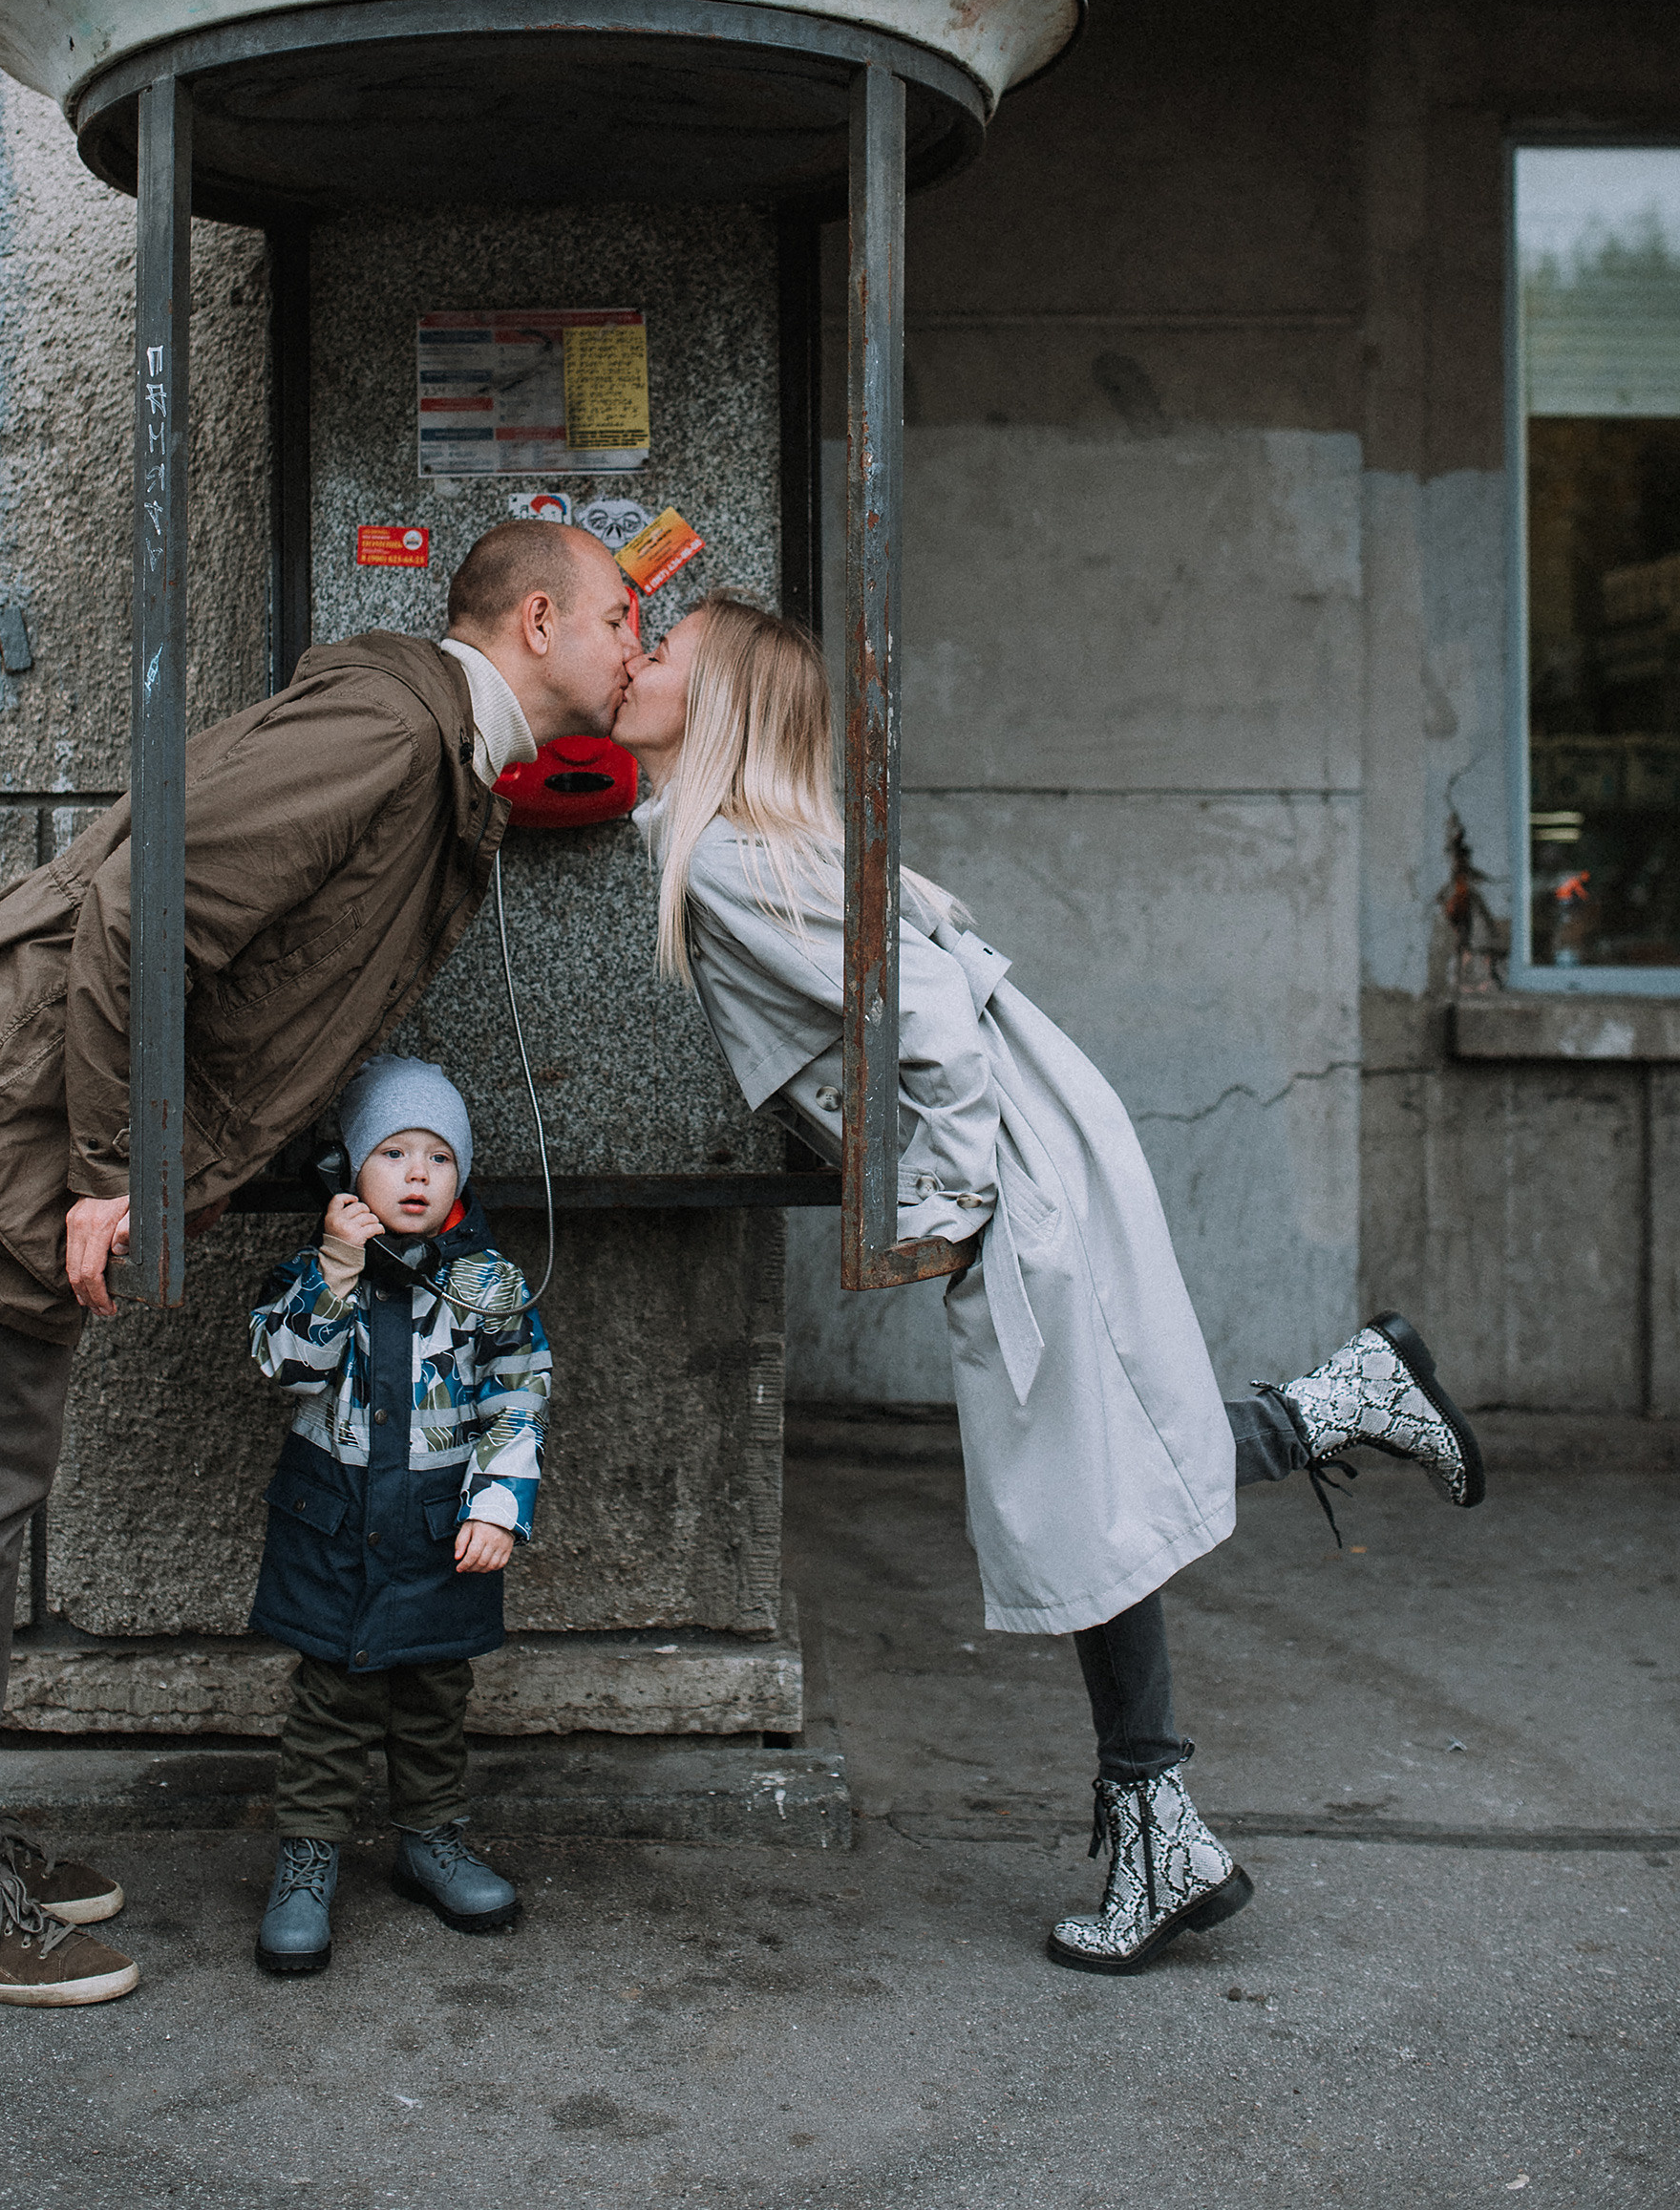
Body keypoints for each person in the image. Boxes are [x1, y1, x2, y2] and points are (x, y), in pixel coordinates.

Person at [611, 593, 1485, 1977]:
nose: (631, 659)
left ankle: (1326, 1432)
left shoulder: (724, 853)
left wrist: (952, 1200)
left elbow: (932, 1020)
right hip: (1034, 1147)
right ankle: (1169, 1810)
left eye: (658, 650)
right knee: (1089, 1489)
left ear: (714, 707)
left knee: (1078, 1495)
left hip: (1012, 1167)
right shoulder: (744, 840)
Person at [0, 520, 630, 2007]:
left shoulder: (430, 746)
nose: (639, 642)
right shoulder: (395, 733)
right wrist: (109, 1168)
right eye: (624, 615)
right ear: (537, 619)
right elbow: (147, 907)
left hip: (58, 1123)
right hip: (39, 1131)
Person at [245, 1055, 547, 1970]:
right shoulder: (311, 1275)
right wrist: (335, 1270)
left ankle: (431, 1839)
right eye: (392, 1151)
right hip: (334, 1521)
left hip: (434, 1526)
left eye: (439, 1157)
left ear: (462, 1176)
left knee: (432, 1694)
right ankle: (308, 1857)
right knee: (329, 1704)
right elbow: (283, 1366)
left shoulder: (488, 1285)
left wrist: (497, 1505)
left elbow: (518, 1395)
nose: (417, 1174)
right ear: (345, 1169)